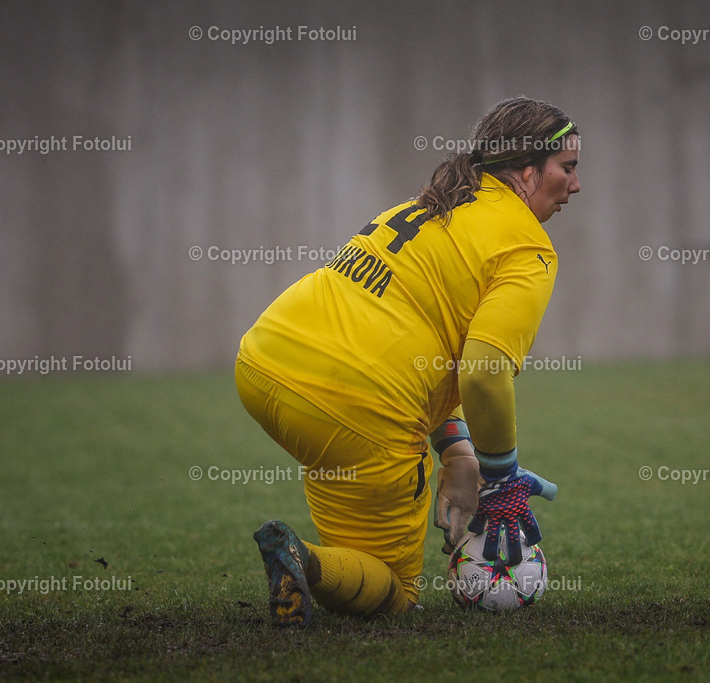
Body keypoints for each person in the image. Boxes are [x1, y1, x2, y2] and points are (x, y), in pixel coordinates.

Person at [235, 96, 581, 626]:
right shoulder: (527, 248)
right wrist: (502, 480)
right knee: (393, 591)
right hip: (352, 406)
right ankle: (301, 560)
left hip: (264, 361)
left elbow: (408, 335)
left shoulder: (430, 203)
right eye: (568, 167)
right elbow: (484, 374)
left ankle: (303, 561)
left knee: (355, 538)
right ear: (526, 169)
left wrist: (457, 450)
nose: (575, 186)